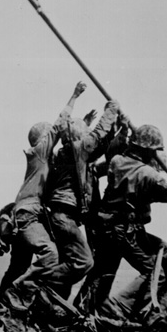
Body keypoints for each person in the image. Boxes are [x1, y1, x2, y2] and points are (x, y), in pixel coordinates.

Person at [83, 124, 167, 323]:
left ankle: (87, 309)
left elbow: (105, 166)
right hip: (125, 231)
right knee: (158, 270)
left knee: (106, 270)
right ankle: (118, 309)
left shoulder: (117, 161)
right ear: (148, 150)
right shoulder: (149, 175)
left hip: (106, 227)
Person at [0, 81, 86, 310]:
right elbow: (59, 124)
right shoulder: (40, 153)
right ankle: (17, 297)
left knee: (18, 267)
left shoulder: (43, 160)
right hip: (28, 214)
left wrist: (86, 124)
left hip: (26, 214)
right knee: (50, 254)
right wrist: (74, 96)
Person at [42, 97, 121, 300]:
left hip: (63, 217)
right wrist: (111, 111)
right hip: (65, 217)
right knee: (84, 262)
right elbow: (96, 138)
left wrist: (117, 130)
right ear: (79, 137)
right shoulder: (77, 150)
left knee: (69, 263)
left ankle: (51, 303)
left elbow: (102, 146)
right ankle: (36, 281)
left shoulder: (69, 154)